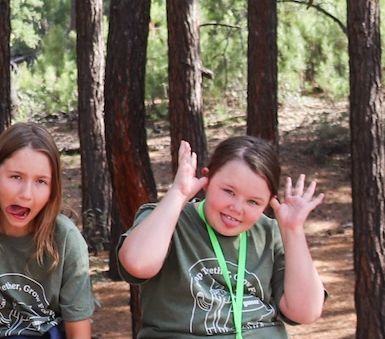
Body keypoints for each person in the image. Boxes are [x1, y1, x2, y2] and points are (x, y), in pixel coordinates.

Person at [116, 137, 326, 338]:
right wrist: (178, 195)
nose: (236, 208)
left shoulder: (271, 233)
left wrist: (293, 230)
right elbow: (138, 264)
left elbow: (306, 312)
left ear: (268, 202)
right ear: (206, 181)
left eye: (253, 202)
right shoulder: (166, 218)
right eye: (228, 191)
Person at [0, 124, 94, 339]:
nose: (26, 194)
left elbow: (78, 332)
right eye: (16, 177)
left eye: (41, 181)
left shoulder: (66, 238)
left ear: (53, 188)